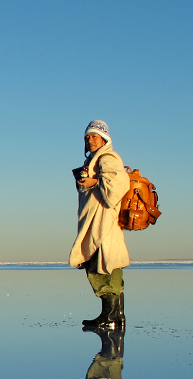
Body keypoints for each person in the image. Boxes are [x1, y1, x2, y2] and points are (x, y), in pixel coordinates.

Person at [69, 120, 130, 329]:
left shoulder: (108, 157)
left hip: (104, 223)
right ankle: (115, 315)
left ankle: (110, 316)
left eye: (94, 136)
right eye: (87, 137)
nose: (90, 140)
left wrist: (94, 182)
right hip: (96, 222)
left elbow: (119, 183)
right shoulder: (94, 160)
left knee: (104, 265)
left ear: (104, 139)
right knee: (102, 263)